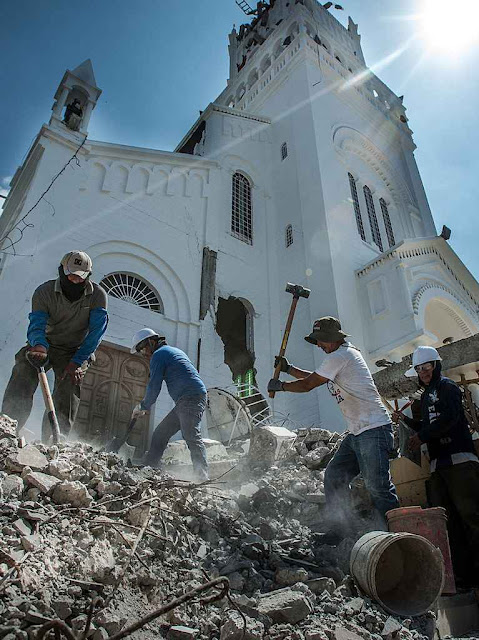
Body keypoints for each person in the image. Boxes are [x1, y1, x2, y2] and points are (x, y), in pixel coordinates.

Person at [268, 316, 399, 533]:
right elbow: (317, 378)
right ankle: (341, 529)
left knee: (378, 487)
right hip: (359, 432)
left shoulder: (342, 355)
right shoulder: (339, 356)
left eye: (322, 340)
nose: (319, 345)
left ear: (334, 338)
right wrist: (289, 369)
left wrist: (281, 385)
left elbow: (309, 384)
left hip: (374, 429)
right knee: (334, 475)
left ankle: (396, 535)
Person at [393, 345, 479, 588]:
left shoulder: (448, 388)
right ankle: (465, 578)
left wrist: (422, 436)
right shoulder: (427, 394)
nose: (423, 372)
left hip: (459, 461)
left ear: (436, 366)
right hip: (438, 466)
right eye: (419, 369)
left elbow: (450, 418)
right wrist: (407, 421)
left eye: (426, 367)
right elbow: (425, 428)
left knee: (472, 518)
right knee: (450, 523)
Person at [2, 251, 108, 441]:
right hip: (46, 344)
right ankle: (8, 426)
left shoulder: (97, 296)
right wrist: (39, 346)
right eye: (71, 275)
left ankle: (54, 439)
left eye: (80, 277)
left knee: (69, 384)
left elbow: (95, 335)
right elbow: (36, 324)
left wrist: (76, 362)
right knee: (24, 370)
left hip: (75, 350)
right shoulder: (44, 292)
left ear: (87, 276)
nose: (75, 281)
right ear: (61, 271)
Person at [130, 328, 209, 482]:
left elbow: (154, 385)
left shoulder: (159, 355)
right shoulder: (171, 351)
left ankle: (202, 475)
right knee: (160, 433)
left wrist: (143, 406)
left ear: (151, 342)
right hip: (186, 400)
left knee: (191, 434)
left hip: (190, 398)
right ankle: (150, 468)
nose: (144, 354)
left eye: (142, 349)